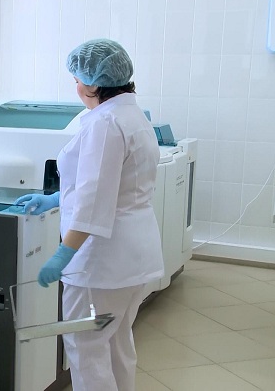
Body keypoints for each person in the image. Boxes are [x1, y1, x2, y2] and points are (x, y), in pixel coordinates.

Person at [14, 38, 164, 391]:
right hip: (134, 258)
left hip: (101, 263)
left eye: (78, 79)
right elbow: (112, 185)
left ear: (95, 83)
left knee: (86, 351)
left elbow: (95, 203)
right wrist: (57, 199)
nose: (77, 86)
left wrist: (62, 255)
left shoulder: (105, 123)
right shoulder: (133, 116)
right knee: (117, 344)